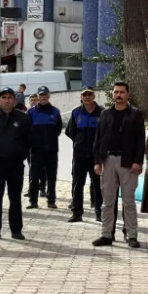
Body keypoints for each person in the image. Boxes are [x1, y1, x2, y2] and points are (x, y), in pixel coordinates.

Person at [92, 81, 146, 249]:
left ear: (127, 94)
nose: (119, 95)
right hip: (108, 160)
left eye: (122, 92)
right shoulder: (105, 114)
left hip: (128, 162)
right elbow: (98, 138)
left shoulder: (136, 114)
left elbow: (140, 141)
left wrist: (138, 162)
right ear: (112, 94)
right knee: (107, 201)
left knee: (128, 201)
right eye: (116, 92)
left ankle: (131, 235)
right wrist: (97, 161)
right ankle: (106, 234)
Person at [0, 87, 32, 239]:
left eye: (10, 97)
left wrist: (19, 152)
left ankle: (16, 230)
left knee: (15, 198)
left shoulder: (23, 118)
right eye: (4, 97)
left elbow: (29, 140)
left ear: (14, 101)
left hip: (15, 164)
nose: (7, 100)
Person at [66, 87, 103, 223]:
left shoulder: (102, 113)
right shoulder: (76, 113)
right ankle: (77, 213)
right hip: (80, 155)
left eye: (89, 94)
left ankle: (99, 212)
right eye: (84, 95)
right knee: (77, 184)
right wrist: (79, 143)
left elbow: (105, 133)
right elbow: (70, 132)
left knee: (98, 185)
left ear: (94, 96)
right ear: (81, 97)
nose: (87, 97)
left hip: (96, 157)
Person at [27, 86, 62, 209]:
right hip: (36, 150)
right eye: (41, 95)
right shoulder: (31, 112)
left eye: (45, 95)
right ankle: (33, 201)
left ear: (48, 96)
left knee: (51, 177)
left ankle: (51, 201)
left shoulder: (55, 111)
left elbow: (58, 129)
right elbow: (27, 130)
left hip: (51, 150)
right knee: (34, 177)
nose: (43, 97)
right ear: (38, 96)